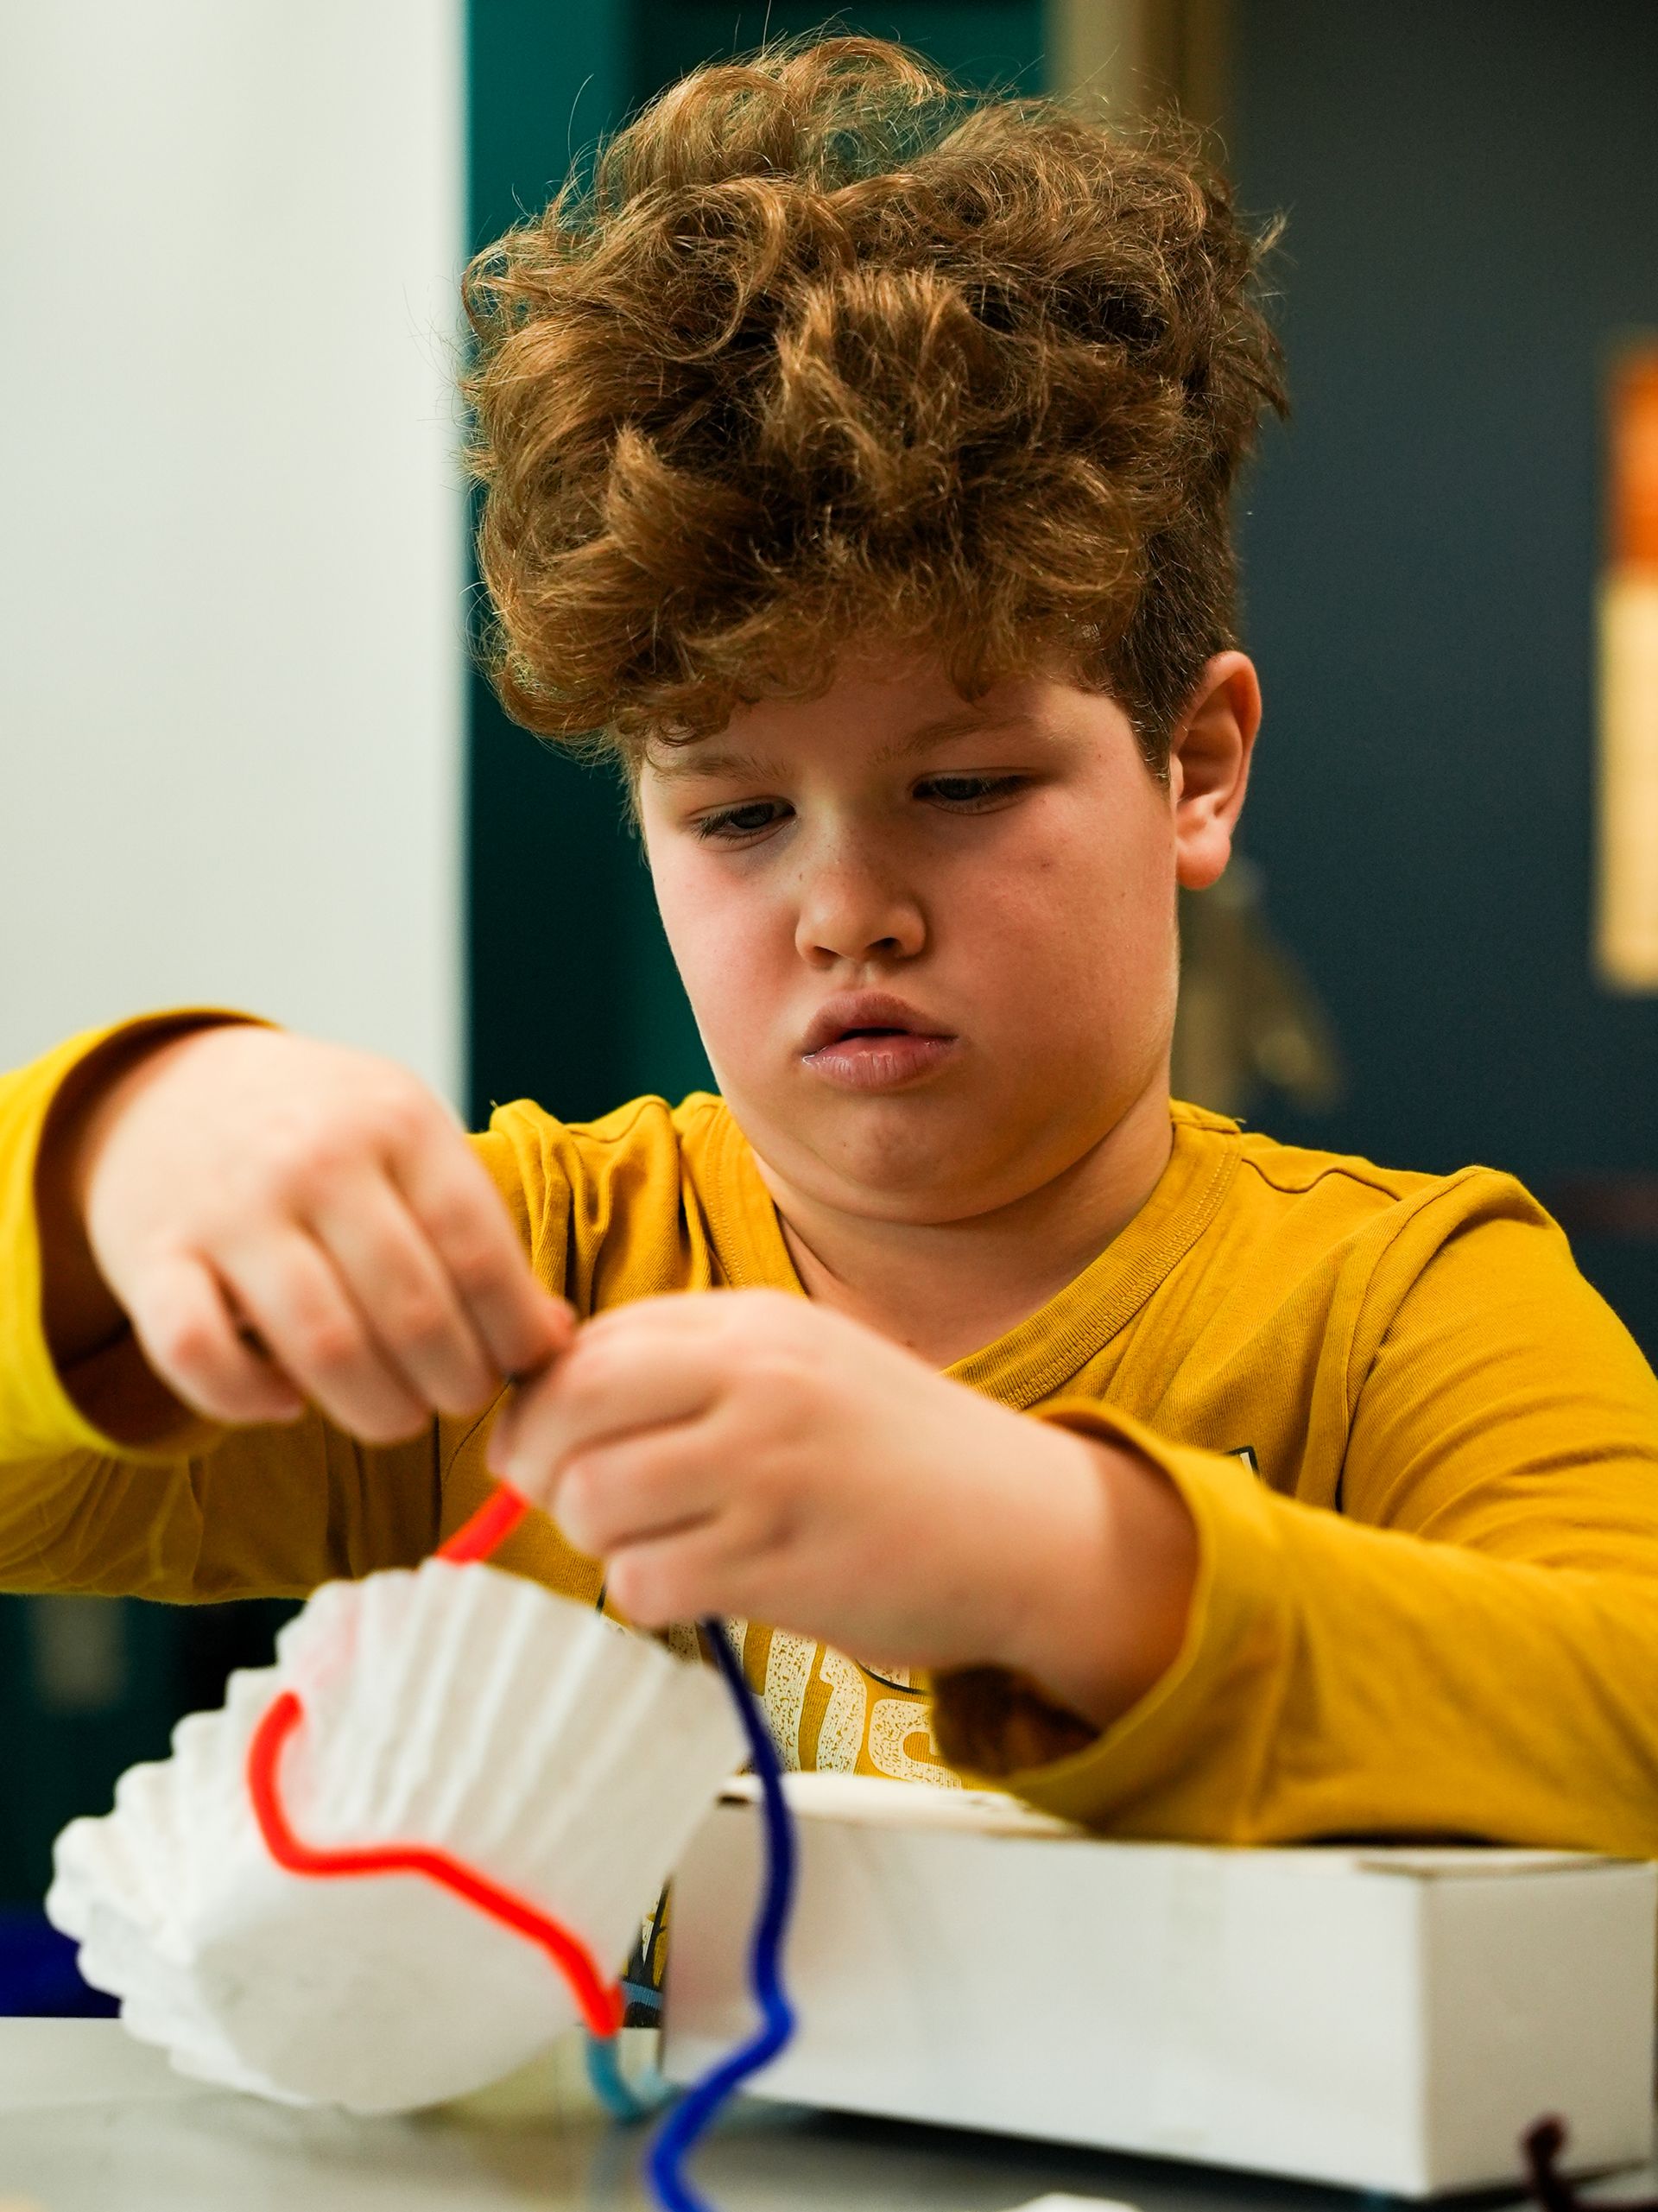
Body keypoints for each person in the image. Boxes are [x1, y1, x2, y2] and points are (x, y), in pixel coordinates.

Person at [3, 37, 1655, 1860]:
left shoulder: (1399, 1314)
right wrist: (117, 1160)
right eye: (732, 818)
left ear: (1193, 770)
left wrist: (1063, 1558)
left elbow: (1630, 1716)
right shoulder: (524, 1280)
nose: (844, 908)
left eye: (960, 784)